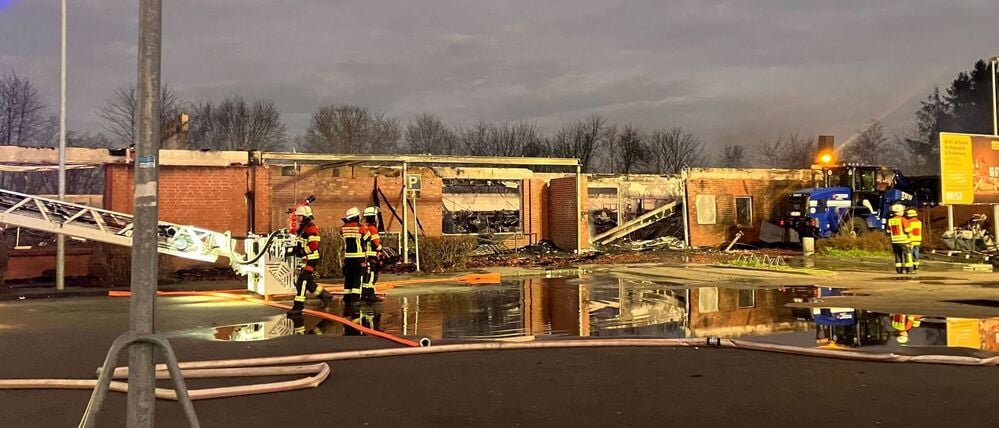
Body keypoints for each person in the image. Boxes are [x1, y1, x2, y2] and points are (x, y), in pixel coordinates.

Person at [287, 205, 332, 316]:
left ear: (305, 216)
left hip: (310, 259)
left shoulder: (311, 228)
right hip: (306, 259)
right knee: (308, 283)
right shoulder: (303, 228)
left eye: (299, 216)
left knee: (302, 282)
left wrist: (301, 251)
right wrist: (295, 249)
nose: (297, 218)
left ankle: (298, 307)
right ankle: (324, 295)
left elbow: (314, 245)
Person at [341, 207, 366, 305]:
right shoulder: (360, 228)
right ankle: (355, 298)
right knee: (357, 277)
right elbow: (367, 237)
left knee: (348, 277)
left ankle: (347, 297)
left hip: (348, 258)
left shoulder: (343, 228)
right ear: (356, 217)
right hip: (359, 257)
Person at [360, 206, 384, 303]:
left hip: (364, 256)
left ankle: (366, 294)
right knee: (372, 276)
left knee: (366, 276)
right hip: (372, 256)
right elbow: (376, 243)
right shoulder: (372, 229)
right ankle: (370, 295)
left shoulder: (363, 228)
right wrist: (380, 248)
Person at [886, 203, 912, 274]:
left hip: (895, 241)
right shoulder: (903, 219)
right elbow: (907, 230)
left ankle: (899, 270)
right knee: (907, 255)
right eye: (902, 211)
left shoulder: (890, 220)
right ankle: (909, 270)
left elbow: (888, 231)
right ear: (899, 211)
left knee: (897, 255)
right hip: (904, 241)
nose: (903, 212)